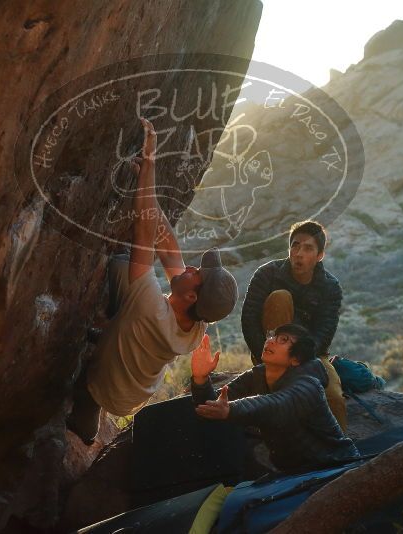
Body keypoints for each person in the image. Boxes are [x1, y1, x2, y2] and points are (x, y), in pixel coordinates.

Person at [68, 117, 238, 444]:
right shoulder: (196, 322)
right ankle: (109, 333)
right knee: (129, 276)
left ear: (191, 297)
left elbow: (145, 234)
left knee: (119, 264)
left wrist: (149, 165)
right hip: (134, 392)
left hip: (105, 390)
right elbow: (169, 248)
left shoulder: (150, 306)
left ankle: (85, 418)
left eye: (196, 275)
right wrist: (148, 194)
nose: (189, 269)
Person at [191, 324, 359, 471]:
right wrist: (200, 379)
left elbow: (276, 404)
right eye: (272, 336)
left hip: (336, 467)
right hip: (294, 474)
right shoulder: (256, 376)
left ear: (296, 359)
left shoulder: (309, 385)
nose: (270, 341)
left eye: (283, 340)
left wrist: (232, 409)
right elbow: (210, 407)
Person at [240, 220, 348, 428]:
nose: (298, 253)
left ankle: (342, 455)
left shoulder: (329, 287)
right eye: (295, 245)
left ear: (320, 256)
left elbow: (324, 332)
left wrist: (299, 360)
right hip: (270, 348)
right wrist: (268, 357)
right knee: (280, 297)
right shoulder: (267, 274)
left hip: (309, 355)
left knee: (333, 397)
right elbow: (249, 320)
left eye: (308, 248)